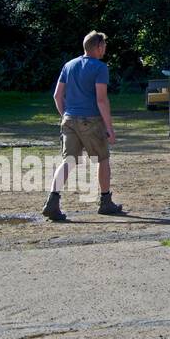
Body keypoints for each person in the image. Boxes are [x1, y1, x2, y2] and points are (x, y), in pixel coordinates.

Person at [42, 31, 124, 221]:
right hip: (91, 120)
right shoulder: (100, 68)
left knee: (67, 161)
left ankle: (52, 202)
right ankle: (105, 202)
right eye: (103, 46)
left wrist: (66, 116)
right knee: (102, 159)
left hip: (69, 119)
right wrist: (109, 128)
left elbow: (57, 95)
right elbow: (101, 100)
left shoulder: (69, 65)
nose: (105, 49)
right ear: (98, 47)